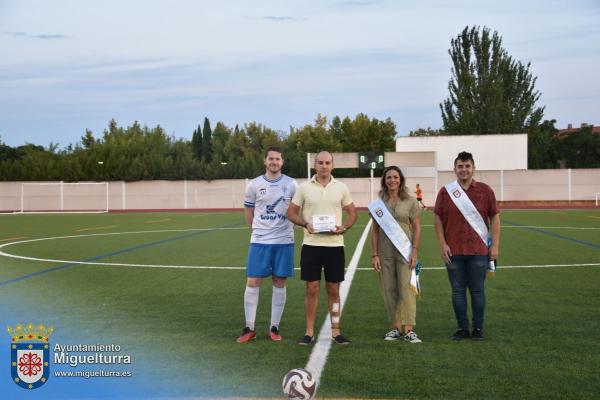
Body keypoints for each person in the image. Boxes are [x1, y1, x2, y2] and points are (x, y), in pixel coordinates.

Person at [287, 151, 357, 345]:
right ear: (314, 165)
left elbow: (352, 213)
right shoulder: (304, 188)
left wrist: (344, 227)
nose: (324, 166)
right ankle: (309, 331)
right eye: (320, 163)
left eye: (327, 163)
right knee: (312, 289)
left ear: (332, 165)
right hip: (311, 245)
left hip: (335, 246)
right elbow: (291, 213)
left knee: (334, 289)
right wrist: (304, 223)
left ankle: (335, 329)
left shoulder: (341, 187)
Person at [434, 151, 500, 341]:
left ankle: (478, 328)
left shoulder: (485, 191)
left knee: (478, 291)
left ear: (473, 168)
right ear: (454, 169)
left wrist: (494, 246)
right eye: (460, 166)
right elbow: (437, 216)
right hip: (453, 250)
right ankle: (462, 328)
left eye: (467, 166)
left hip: (479, 250)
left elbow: (495, 216)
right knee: (458, 291)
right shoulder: (446, 192)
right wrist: (442, 243)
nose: (464, 169)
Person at [237, 146, 298, 343]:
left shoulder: (291, 184)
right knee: (253, 281)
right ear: (265, 161)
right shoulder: (254, 185)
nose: (274, 162)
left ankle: (274, 327)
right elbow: (248, 210)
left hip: (284, 241)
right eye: (271, 159)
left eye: (278, 159)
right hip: (260, 241)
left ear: (282, 162)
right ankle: (249, 327)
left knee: (279, 283)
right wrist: (254, 231)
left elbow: (297, 209)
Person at [370, 166, 422, 343]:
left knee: (406, 289)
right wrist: (374, 255)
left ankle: (409, 329)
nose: (392, 180)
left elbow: (416, 227)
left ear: (401, 180)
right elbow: (374, 231)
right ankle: (395, 328)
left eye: (395, 177)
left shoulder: (410, 201)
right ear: (384, 181)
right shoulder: (379, 203)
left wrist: (414, 251)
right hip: (385, 252)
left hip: (405, 251)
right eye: (389, 177)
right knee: (389, 289)